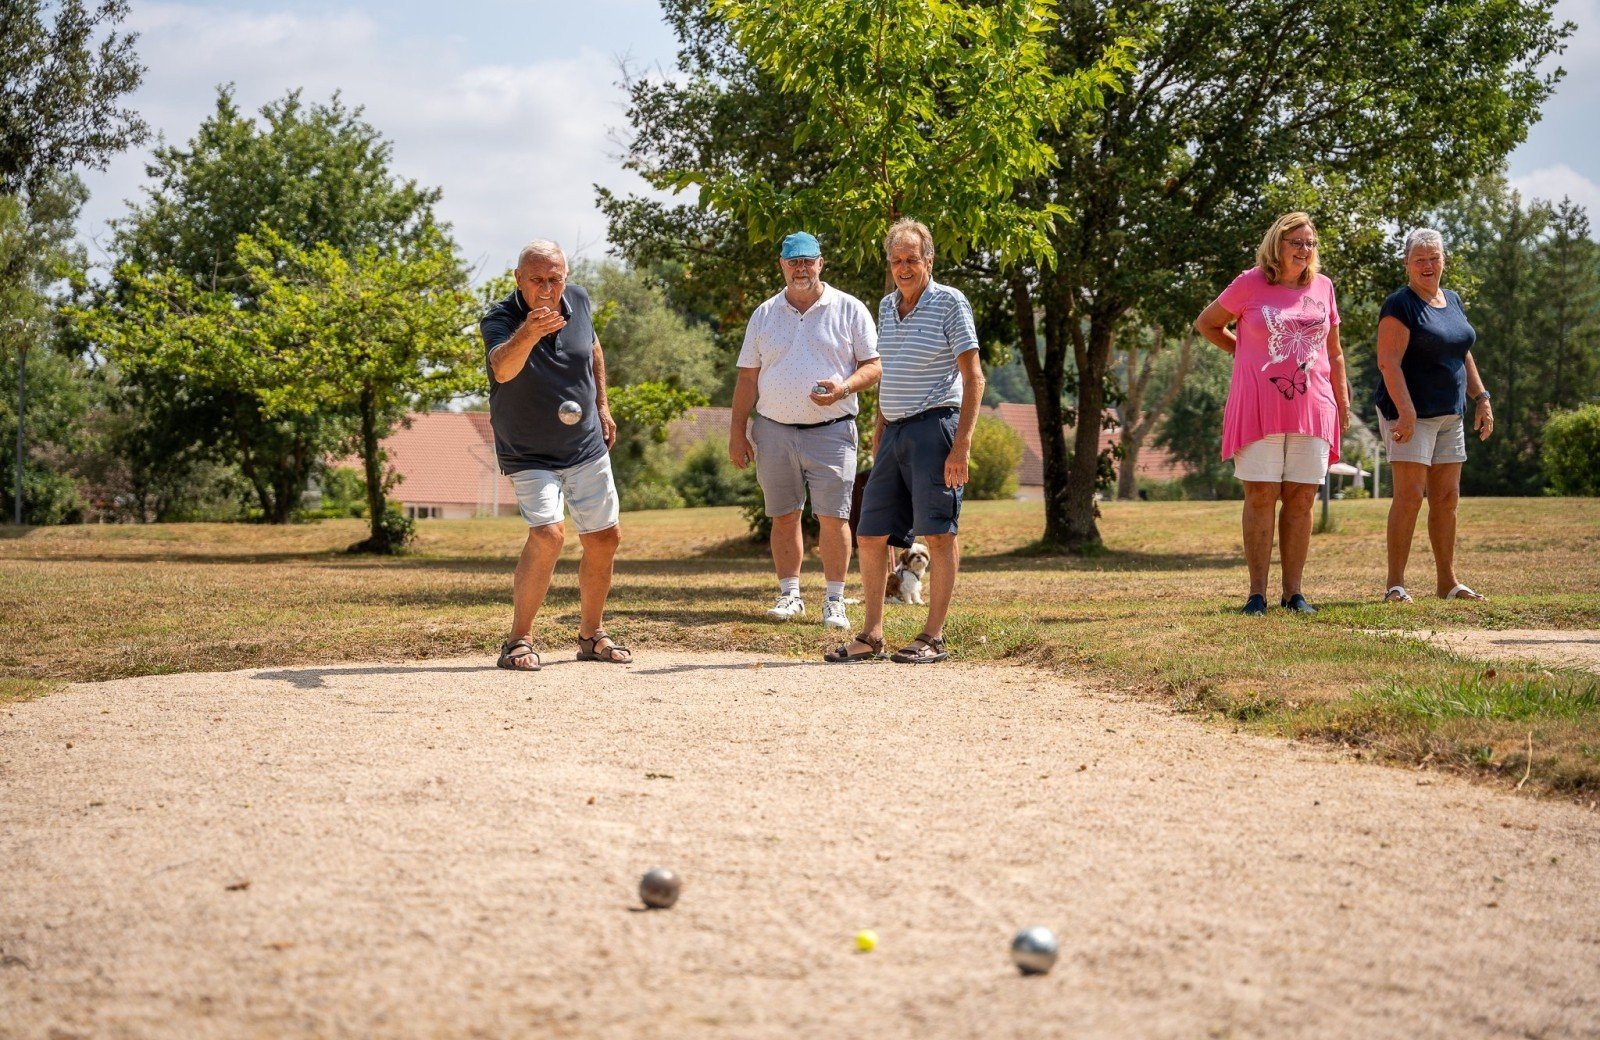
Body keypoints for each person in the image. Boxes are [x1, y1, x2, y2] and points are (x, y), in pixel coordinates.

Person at [825, 218, 984, 664]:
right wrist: (879, 432)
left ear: (928, 260)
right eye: (896, 260)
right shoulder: (886, 306)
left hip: (936, 428)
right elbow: (888, 375)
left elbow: (974, 377)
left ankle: (933, 637)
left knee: (938, 533)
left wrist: (962, 445)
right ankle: (871, 635)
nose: (903, 267)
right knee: (870, 534)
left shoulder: (950, 302)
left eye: (912, 259)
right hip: (893, 432)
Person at [480, 240, 632, 671]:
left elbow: (593, 348)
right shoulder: (500, 318)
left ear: (566, 278)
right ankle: (518, 640)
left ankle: (591, 635)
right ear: (518, 279)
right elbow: (502, 369)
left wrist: (603, 405)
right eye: (537, 280)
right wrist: (530, 332)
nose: (547, 289)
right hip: (528, 449)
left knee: (605, 537)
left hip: (584, 443)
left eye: (555, 279)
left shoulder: (578, 299)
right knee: (548, 534)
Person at [1195, 212, 1351, 615]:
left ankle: (1294, 594)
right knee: (1261, 494)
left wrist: (1343, 400)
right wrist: (1244, 351)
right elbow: (1208, 324)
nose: (1304, 249)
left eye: (1310, 243)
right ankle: (1257, 595)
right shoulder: (1250, 283)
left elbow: (1334, 352)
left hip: (1313, 406)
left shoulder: (1324, 287)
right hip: (1258, 405)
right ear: (1276, 245)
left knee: (1301, 498)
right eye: (1296, 242)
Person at [730, 232, 882, 630]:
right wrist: (737, 432)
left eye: (807, 261)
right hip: (773, 430)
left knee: (834, 517)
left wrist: (844, 388)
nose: (801, 268)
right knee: (783, 515)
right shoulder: (764, 314)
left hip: (832, 430)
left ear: (821, 263)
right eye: (793, 261)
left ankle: (834, 601)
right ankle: (790, 595)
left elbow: (873, 366)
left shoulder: (849, 308)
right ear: (782, 265)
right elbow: (747, 378)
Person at [1375, 228, 1494, 602]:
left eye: (1434, 258)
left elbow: (1462, 351)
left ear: (1444, 261)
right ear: (1407, 264)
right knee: (1410, 496)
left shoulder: (1452, 300)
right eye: (1419, 259)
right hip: (1410, 414)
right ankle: (1395, 585)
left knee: (1446, 498)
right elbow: (1388, 362)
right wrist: (1406, 412)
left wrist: (1482, 397)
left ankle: (1448, 583)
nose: (1427, 265)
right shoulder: (1400, 304)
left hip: (1450, 414)